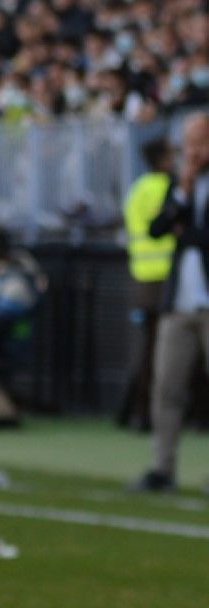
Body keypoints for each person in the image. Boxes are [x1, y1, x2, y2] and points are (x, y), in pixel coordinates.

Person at [135, 113, 209, 493]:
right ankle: (162, 468)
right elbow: (158, 229)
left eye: (198, 143)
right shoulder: (177, 185)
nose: (192, 152)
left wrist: (188, 231)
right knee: (166, 387)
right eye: (188, 145)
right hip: (178, 303)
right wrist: (183, 188)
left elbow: (195, 236)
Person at [119, 140, 175, 431]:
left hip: (141, 276)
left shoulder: (137, 189)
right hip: (164, 277)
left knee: (147, 348)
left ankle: (136, 413)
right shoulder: (166, 188)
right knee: (161, 350)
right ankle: (146, 414)